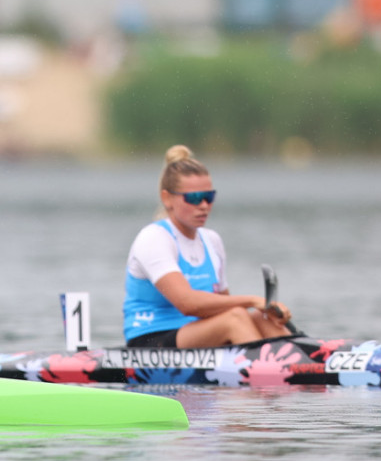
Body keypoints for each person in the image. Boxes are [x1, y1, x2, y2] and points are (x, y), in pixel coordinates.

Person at [122, 145, 293, 349]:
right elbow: (187, 304)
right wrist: (253, 300)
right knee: (236, 318)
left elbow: (222, 305)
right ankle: (275, 371)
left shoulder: (212, 241)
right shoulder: (154, 238)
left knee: (263, 318)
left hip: (200, 336)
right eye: (193, 198)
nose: (203, 205)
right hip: (150, 341)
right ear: (167, 198)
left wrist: (266, 310)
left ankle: (306, 363)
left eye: (209, 197)